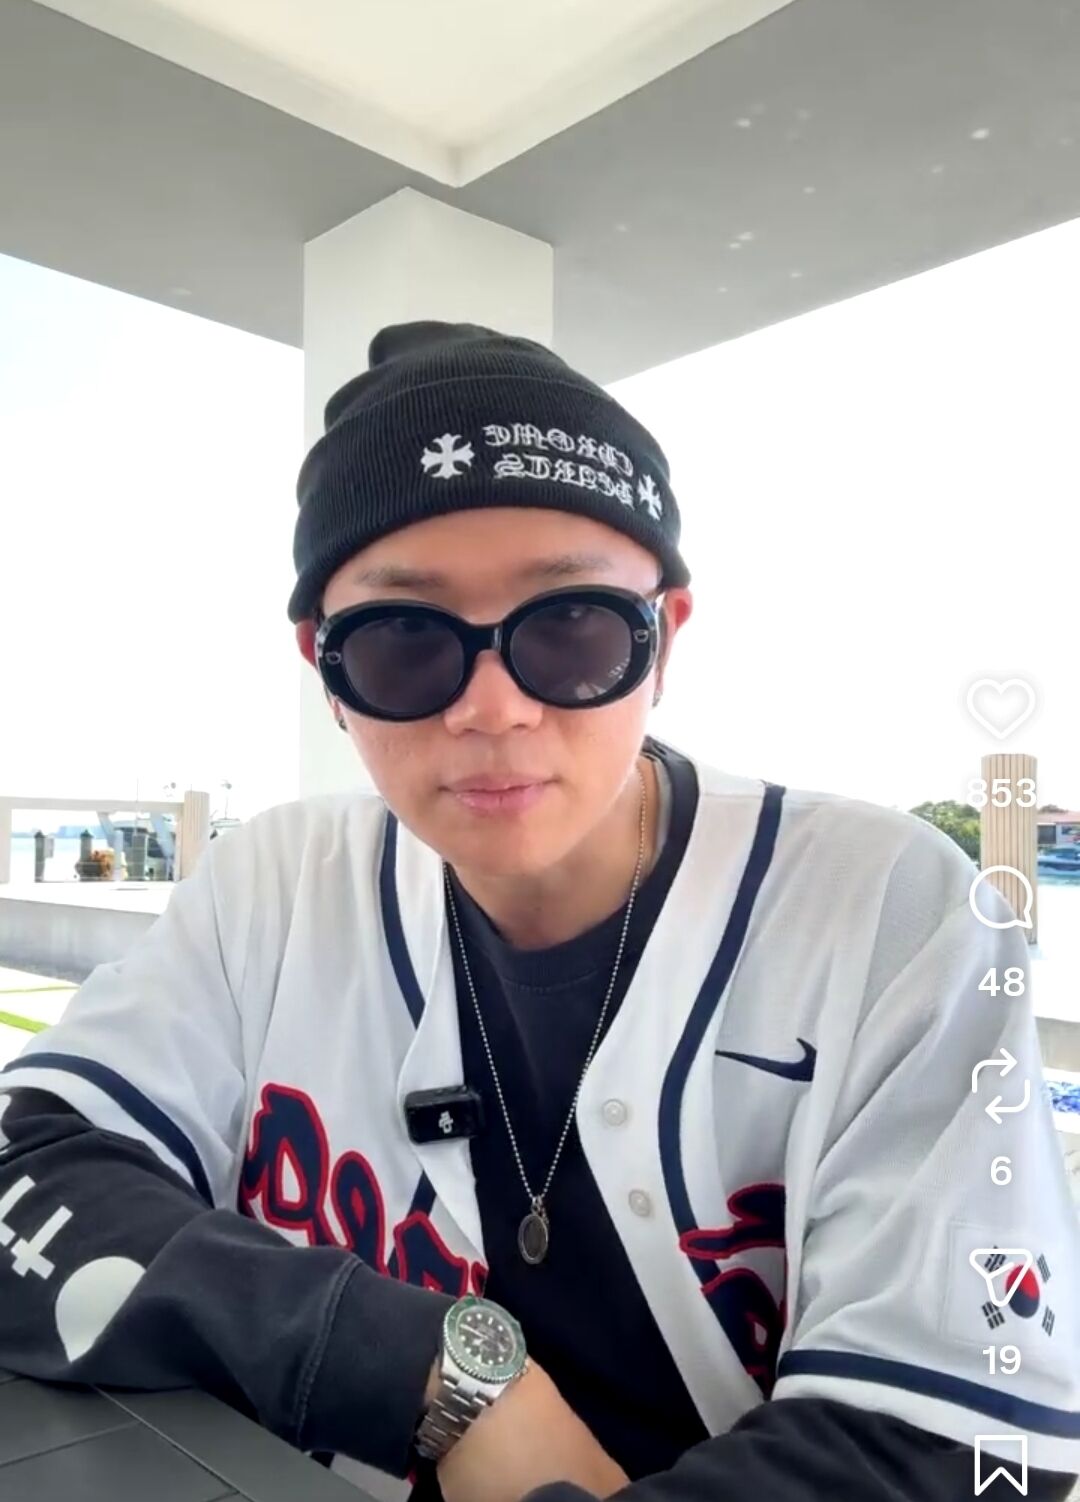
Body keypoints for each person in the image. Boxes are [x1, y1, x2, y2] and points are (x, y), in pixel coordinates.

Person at [0, 321, 1076, 1502]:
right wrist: (444, 1376)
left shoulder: (883, 906)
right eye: (405, 640)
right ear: (325, 664)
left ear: (663, 639)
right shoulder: (277, 883)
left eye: (572, 627)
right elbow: (30, 1169)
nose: (495, 707)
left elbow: (962, 1441)